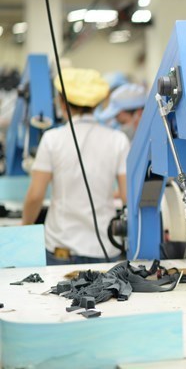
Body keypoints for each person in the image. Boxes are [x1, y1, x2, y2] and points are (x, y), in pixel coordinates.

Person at [22, 68, 130, 265]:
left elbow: (36, 195)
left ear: (62, 103)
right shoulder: (118, 140)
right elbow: (127, 197)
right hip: (105, 248)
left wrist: (24, 227)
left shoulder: (51, 139)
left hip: (61, 249)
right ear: (97, 103)